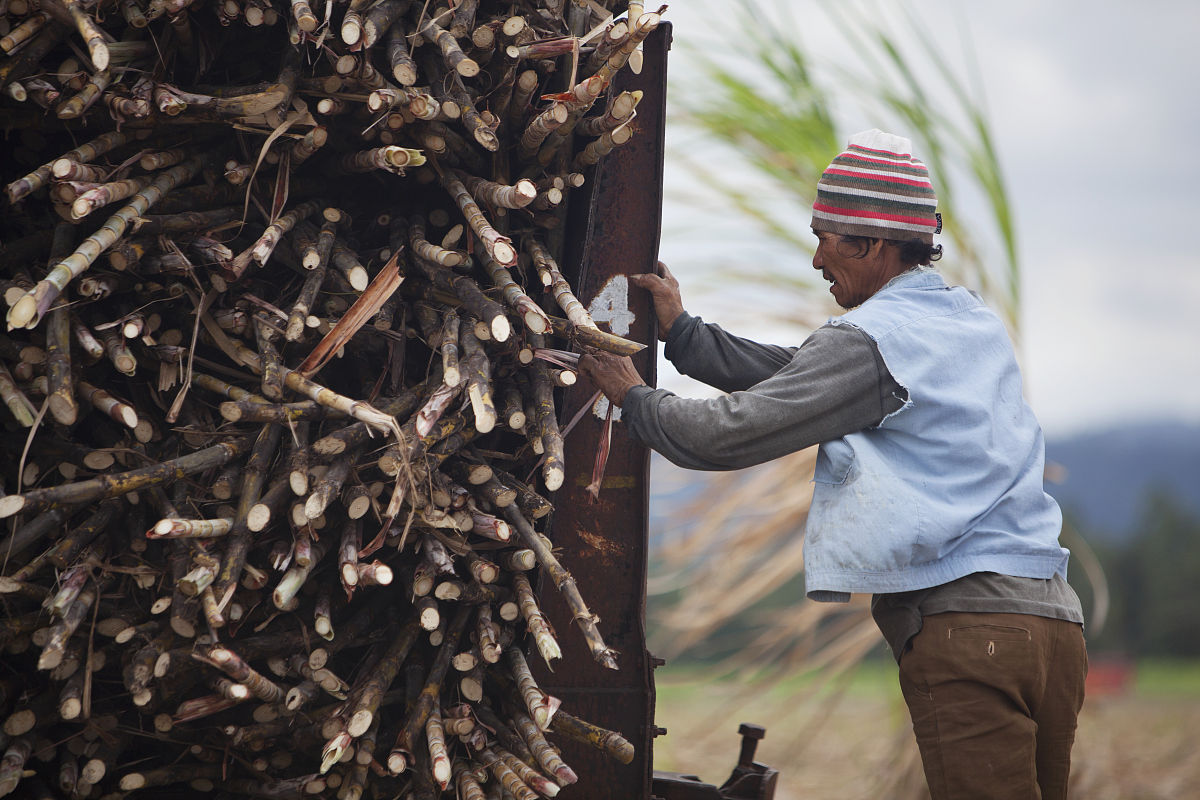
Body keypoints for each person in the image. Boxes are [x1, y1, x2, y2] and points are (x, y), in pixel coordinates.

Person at [578, 129, 1088, 800]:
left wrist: (635, 397)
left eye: (827, 236)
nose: (817, 257)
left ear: (872, 244)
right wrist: (684, 334)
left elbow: (721, 437)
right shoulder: (963, 321)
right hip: (1053, 628)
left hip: (971, 634)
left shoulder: (872, 340)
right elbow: (803, 378)